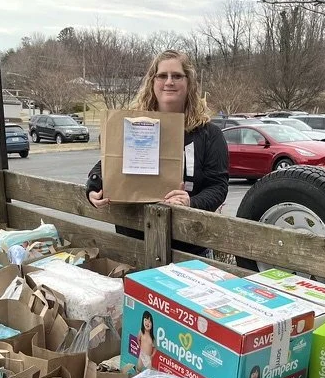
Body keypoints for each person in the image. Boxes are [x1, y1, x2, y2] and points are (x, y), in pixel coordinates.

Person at [85, 50, 229, 256]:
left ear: (189, 82)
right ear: (152, 82)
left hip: (187, 248)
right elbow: (109, 164)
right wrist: (93, 187)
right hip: (133, 245)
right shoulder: (133, 125)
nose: (169, 82)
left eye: (177, 76)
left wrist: (191, 202)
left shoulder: (209, 134)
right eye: (162, 76)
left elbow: (218, 186)